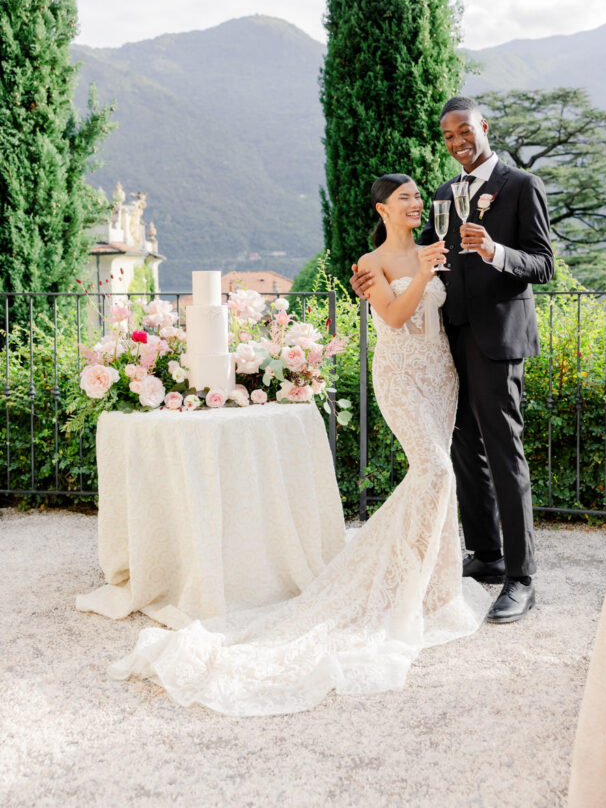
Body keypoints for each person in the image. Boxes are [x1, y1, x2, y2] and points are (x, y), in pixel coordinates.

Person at [108, 173, 490, 715]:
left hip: (441, 375)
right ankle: (391, 584)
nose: (414, 203)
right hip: (401, 375)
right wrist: (424, 272)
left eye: (416, 197)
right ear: (382, 208)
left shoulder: (435, 250)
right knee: (436, 472)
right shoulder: (368, 264)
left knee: (435, 474)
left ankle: (432, 585)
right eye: (403, 197)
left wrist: (439, 266)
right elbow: (395, 317)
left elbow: (448, 311)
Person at [352, 97, 554, 623]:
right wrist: (368, 279)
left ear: (483, 128)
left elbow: (543, 263)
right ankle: (486, 554)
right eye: (447, 136)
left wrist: (493, 251)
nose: (457, 141)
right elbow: (417, 262)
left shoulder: (521, 186)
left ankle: (521, 575)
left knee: (504, 450)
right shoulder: (443, 194)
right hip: (446, 344)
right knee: (466, 452)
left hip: (497, 338)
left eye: (464, 130)